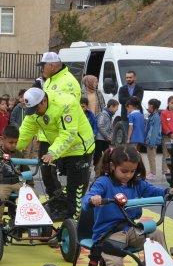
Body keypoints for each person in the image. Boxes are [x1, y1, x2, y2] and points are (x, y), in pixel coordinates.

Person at [82, 145, 173, 266]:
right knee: (116, 263)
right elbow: (87, 198)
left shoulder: (137, 183)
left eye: (132, 171)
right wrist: (92, 200)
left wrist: (168, 192)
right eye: (124, 171)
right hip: (107, 235)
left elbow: (155, 191)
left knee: (156, 234)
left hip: (130, 230)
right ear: (112, 166)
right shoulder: (103, 183)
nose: (128, 175)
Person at [18, 87, 95, 221]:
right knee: (58, 183)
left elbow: (68, 134)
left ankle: (72, 222)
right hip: (62, 151)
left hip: (80, 149)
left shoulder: (66, 104)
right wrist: (13, 148)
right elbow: (26, 130)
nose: (35, 112)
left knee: (75, 189)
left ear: (44, 101)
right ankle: (60, 210)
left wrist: (52, 153)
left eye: (36, 109)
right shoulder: (35, 112)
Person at [36, 52, 81, 198]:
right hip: (47, 133)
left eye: (43, 66)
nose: (41, 69)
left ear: (52, 66)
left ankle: (62, 202)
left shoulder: (69, 82)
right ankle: (54, 200)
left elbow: (70, 110)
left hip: (61, 134)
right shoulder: (49, 80)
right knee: (46, 171)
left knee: (61, 171)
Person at [0, 125, 28, 226]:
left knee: (32, 195)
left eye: (15, 142)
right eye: (11, 142)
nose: (13, 145)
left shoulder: (19, 154)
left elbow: (26, 171)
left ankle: (25, 221)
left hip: (17, 182)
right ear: (2, 139)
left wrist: (30, 185)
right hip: (2, 183)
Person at [94, 99, 119, 173]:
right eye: (116, 108)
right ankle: (97, 170)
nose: (116, 110)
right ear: (111, 106)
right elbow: (100, 126)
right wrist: (107, 136)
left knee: (107, 155)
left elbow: (110, 128)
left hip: (104, 139)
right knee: (98, 156)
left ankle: (104, 169)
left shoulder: (109, 115)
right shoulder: (103, 115)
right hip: (100, 139)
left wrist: (110, 136)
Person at [143, 98, 162, 180]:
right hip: (149, 141)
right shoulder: (152, 116)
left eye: (149, 105)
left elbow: (154, 131)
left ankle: (153, 173)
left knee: (151, 158)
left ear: (152, 106)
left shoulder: (156, 117)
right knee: (150, 157)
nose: (148, 107)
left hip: (152, 142)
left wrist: (152, 143)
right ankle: (151, 172)